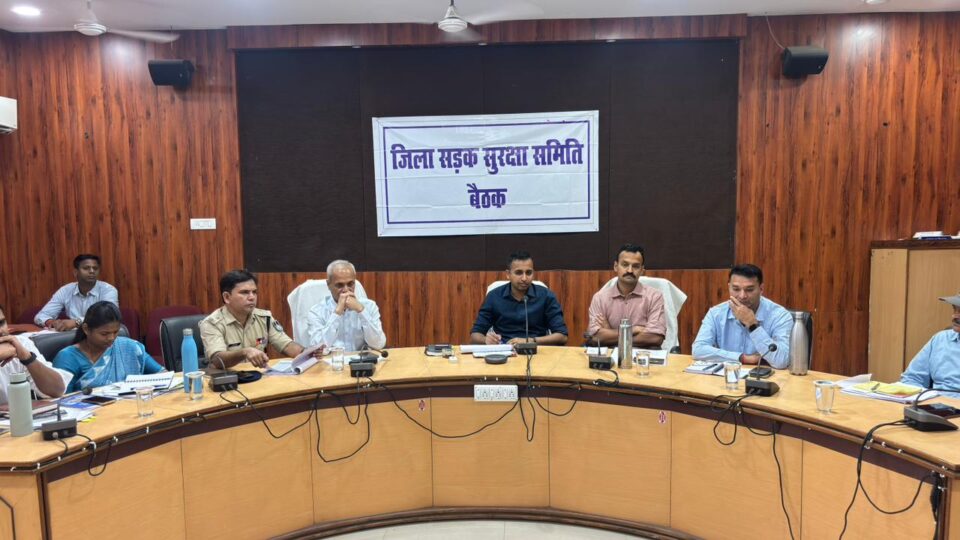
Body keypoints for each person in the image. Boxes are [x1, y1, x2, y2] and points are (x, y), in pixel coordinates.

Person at [692, 264, 792, 368]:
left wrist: (753, 325)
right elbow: (698, 350)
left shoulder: (780, 316)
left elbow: (782, 360)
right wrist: (742, 358)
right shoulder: (716, 313)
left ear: (761, 289)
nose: (742, 296)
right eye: (736, 289)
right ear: (729, 287)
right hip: (727, 375)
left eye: (749, 290)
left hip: (764, 376)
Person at [199, 269, 304, 369]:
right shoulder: (212, 323)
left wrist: (307, 353)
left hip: (259, 376)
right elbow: (217, 360)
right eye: (244, 292)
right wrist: (245, 352)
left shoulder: (264, 318)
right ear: (227, 297)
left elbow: (287, 346)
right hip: (228, 378)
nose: (252, 297)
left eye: (254, 292)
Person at [53, 301, 163, 393]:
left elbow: (162, 375)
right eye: (104, 334)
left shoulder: (129, 347)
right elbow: (62, 400)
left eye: (115, 332)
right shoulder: (68, 357)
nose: (111, 338)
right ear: (86, 329)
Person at [470, 251, 568, 346]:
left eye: (528, 273)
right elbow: (475, 335)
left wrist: (531, 341)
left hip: (536, 349)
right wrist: (486, 340)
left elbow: (562, 336)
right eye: (519, 273)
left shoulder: (546, 296)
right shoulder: (494, 297)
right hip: (505, 349)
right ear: (508, 274)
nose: (524, 278)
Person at [587, 244, 666, 348]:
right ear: (616, 266)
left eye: (636, 266)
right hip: (610, 355)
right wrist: (633, 330)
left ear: (642, 270)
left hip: (643, 355)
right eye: (625, 265)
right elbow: (595, 337)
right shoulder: (600, 298)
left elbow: (655, 338)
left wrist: (611, 335)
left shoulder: (654, 297)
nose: (630, 270)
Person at [305, 260, 386, 351]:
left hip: (360, 359)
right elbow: (318, 349)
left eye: (350, 284)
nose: (346, 290)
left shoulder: (369, 306)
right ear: (328, 285)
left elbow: (378, 344)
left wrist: (361, 311)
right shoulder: (316, 311)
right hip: (333, 359)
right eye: (340, 285)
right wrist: (337, 313)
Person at [0, 304, 67, 404]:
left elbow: (57, 391)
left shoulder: (19, 343)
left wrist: (28, 358)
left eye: (1, 323)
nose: (1, 331)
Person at [35, 254, 119, 331]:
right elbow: (41, 316)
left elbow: (108, 315)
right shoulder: (65, 290)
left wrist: (76, 322)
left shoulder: (108, 290)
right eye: (86, 268)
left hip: (101, 334)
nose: (92, 271)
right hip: (73, 336)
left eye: (95, 268)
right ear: (75, 272)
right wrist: (52, 322)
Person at [900, 292, 960, 396]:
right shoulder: (940, 339)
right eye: (954, 309)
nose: (955, 316)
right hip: (936, 403)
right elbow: (911, 378)